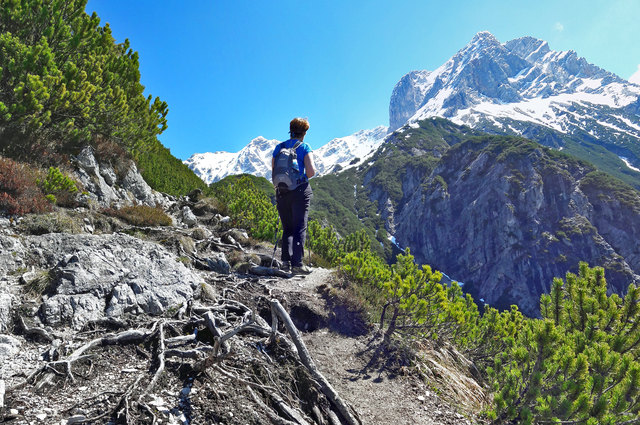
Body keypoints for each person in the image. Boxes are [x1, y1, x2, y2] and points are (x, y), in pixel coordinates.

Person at [272, 117, 316, 274]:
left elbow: (273, 174)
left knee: (287, 228)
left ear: (291, 130)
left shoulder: (279, 147)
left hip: (281, 192)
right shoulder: (304, 147)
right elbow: (311, 172)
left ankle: (285, 262)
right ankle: (297, 264)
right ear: (304, 133)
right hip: (299, 192)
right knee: (299, 227)